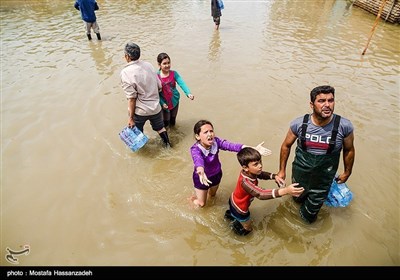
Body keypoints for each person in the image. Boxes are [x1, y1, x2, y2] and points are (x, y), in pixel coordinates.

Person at [276, 85, 355, 224]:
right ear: (312, 104)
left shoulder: (344, 126)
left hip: (323, 181)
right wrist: (281, 171)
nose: (327, 105)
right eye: (322, 101)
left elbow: (349, 150)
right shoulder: (299, 124)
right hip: (300, 174)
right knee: (296, 200)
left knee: (308, 218)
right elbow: (286, 146)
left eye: (330, 100)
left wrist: (347, 172)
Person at [190, 120, 272, 208]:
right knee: (202, 204)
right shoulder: (195, 149)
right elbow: (198, 160)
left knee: (213, 196)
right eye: (205, 132)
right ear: (198, 136)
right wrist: (200, 170)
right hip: (202, 178)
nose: (210, 134)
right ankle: (191, 199)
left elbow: (232, 146)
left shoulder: (216, 142)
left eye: (211, 131)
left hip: (216, 175)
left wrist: (253, 148)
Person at [225, 147, 304, 236]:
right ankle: (237, 234)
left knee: (232, 214)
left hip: (233, 200)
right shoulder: (245, 182)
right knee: (248, 228)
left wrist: (275, 176)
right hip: (240, 209)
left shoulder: (247, 172)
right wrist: (285, 190)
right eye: (256, 164)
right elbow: (260, 194)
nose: (260, 166)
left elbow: (261, 174)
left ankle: (229, 216)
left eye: (260, 162)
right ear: (245, 167)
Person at [120, 42, 172, 148]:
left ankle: (144, 152)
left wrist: (130, 118)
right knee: (160, 128)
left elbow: (132, 98)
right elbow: (159, 85)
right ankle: (168, 146)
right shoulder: (148, 65)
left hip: (140, 111)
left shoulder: (125, 72)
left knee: (137, 133)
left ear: (127, 56)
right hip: (155, 108)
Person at [156, 53, 194, 128]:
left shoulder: (174, 73)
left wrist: (188, 93)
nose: (167, 65)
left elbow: (182, 83)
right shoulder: (156, 76)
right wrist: (162, 103)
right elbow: (155, 93)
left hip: (175, 101)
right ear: (159, 64)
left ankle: (174, 133)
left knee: (173, 120)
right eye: (164, 63)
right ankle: (167, 136)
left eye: (168, 63)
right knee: (166, 122)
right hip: (164, 103)